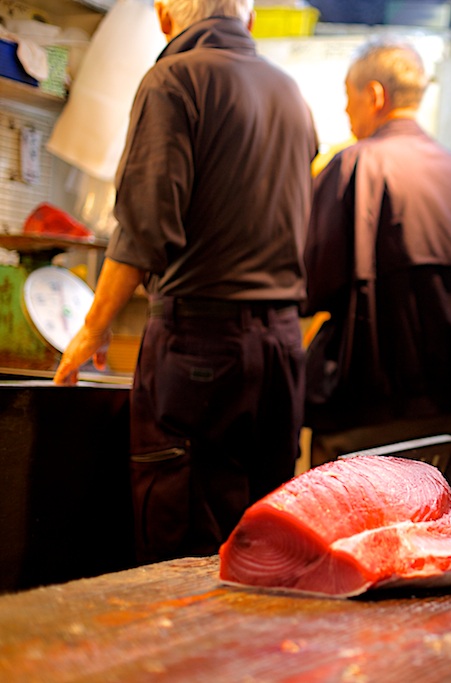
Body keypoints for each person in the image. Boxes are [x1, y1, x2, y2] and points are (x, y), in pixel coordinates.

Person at [54, 0, 318, 564]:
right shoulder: (290, 93)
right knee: (267, 544)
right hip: (279, 351)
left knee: (184, 544)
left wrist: (92, 330)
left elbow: (145, 229)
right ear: (247, 18)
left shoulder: (173, 79)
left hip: (201, 351)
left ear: (164, 15)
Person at [302, 37, 451, 495]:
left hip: (363, 416)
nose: (348, 115)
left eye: (349, 99)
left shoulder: (355, 164)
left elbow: (309, 284)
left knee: (355, 550)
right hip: (446, 415)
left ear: (375, 95)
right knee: (434, 543)